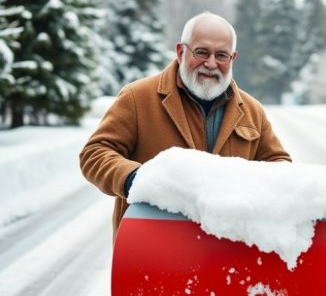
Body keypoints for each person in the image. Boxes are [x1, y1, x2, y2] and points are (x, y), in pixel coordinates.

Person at [80, 12, 292, 239]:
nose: (211, 64)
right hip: (150, 252)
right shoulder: (137, 98)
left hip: (228, 253)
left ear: (233, 58)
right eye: (201, 52)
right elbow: (95, 153)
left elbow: (279, 165)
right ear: (181, 52)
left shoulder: (252, 111)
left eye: (221, 55)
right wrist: (136, 179)